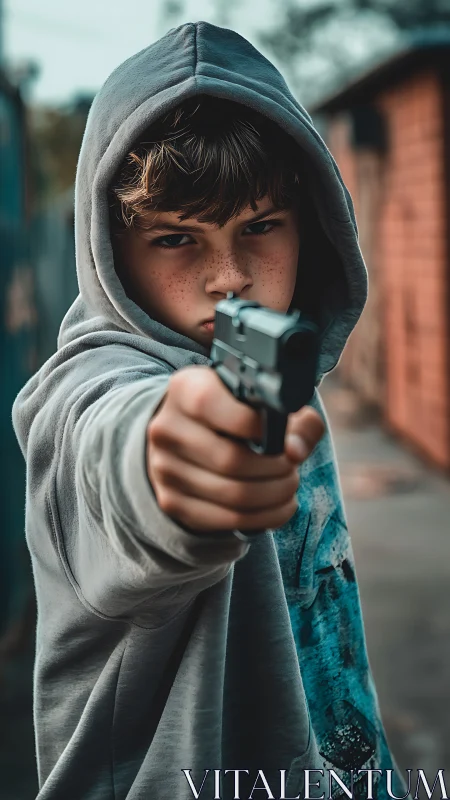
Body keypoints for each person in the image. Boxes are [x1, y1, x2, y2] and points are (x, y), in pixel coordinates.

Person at [12, 21, 408, 800]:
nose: (229, 277)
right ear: (110, 250)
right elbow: (113, 445)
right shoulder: (86, 386)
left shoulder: (271, 369)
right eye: (175, 239)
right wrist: (167, 460)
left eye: (259, 227)